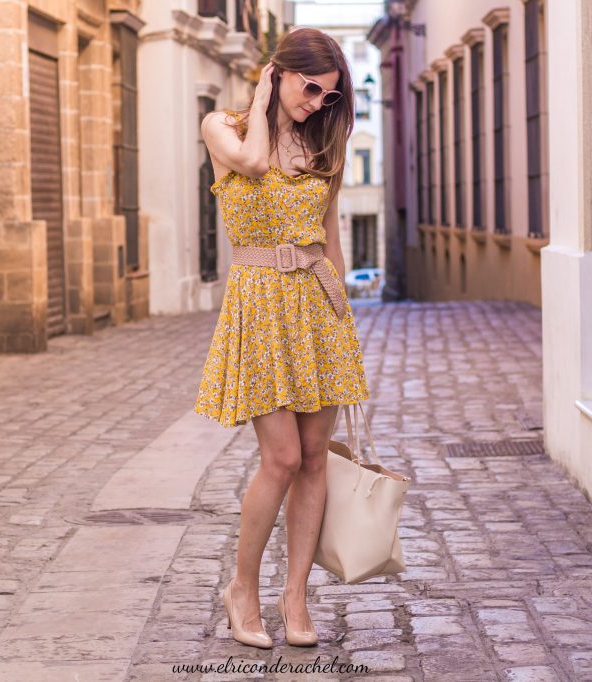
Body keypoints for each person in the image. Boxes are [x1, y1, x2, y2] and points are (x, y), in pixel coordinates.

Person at [193, 27, 370, 649]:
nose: (319, 103)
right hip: (260, 303)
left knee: (317, 456)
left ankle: (296, 597)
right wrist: (267, 97)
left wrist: (343, 318)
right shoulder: (225, 127)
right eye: (312, 86)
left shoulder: (326, 145)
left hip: (318, 307)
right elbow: (254, 165)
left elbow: (331, 236)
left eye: (332, 96)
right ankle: (243, 589)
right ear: (280, 72)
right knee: (283, 458)